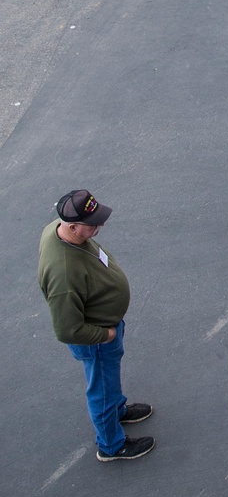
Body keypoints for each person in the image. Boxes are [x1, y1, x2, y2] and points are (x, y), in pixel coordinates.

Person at [38, 189, 154, 463]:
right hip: (97, 339)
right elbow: (67, 330)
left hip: (105, 328)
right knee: (100, 389)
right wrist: (106, 334)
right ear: (73, 226)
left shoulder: (59, 228)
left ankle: (117, 409)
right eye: (93, 224)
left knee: (108, 381)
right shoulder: (63, 275)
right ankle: (111, 446)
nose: (99, 227)